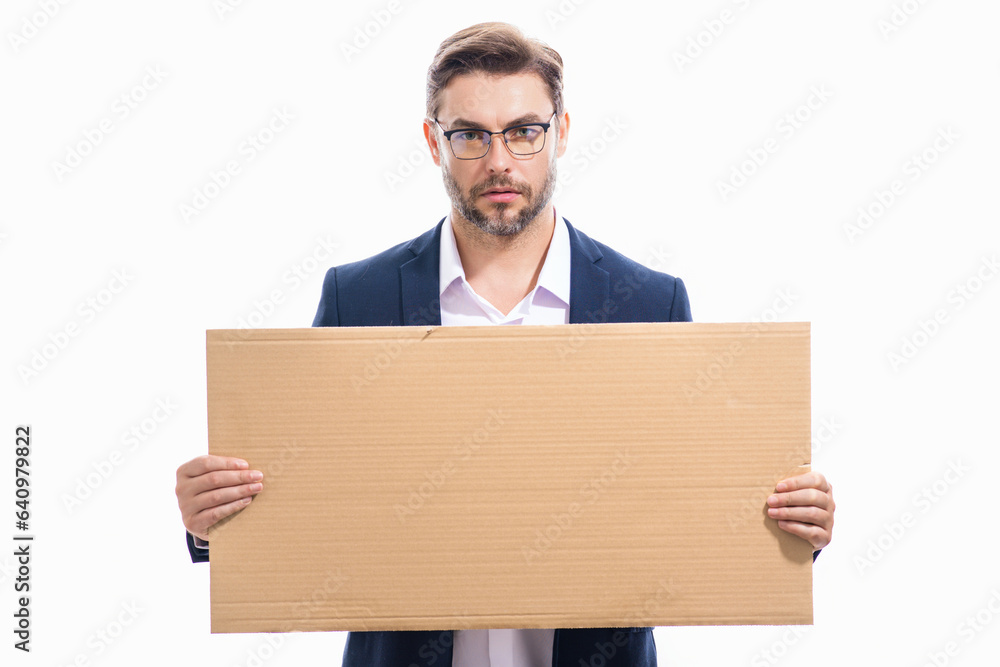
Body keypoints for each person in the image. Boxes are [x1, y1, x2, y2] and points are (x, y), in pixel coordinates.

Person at [175, 22, 835, 667]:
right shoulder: (360, 299)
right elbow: (312, 503)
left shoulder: (647, 303)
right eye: (469, 135)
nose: (498, 161)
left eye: (524, 132)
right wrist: (212, 525)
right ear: (434, 143)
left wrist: (790, 527)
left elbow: (690, 509)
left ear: (562, 133)